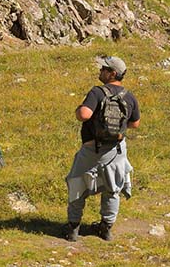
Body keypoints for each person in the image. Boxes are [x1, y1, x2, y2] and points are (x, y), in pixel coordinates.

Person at [63, 56, 140, 242]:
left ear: (112, 73)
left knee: (77, 184)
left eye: (104, 69)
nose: (100, 71)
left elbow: (84, 115)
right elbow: (135, 123)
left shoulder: (97, 92)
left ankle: (73, 229)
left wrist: (78, 110)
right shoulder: (129, 96)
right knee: (112, 189)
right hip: (116, 151)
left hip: (91, 150)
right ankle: (106, 228)